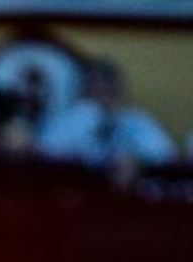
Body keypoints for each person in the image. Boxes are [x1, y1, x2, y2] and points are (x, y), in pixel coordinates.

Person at [38, 57, 176, 175]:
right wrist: (90, 115)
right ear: (84, 89)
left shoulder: (136, 120)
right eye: (95, 85)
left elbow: (166, 155)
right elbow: (47, 151)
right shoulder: (69, 119)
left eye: (108, 86)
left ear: (118, 90)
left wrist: (136, 161)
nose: (102, 92)